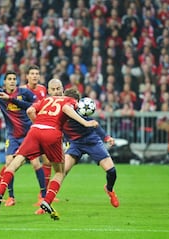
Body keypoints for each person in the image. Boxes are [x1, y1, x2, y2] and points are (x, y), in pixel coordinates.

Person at [0, 81, 99, 220]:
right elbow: (66, 109)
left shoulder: (45, 100)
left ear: (61, 89)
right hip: (52, 133)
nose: (57, 91)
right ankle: (46, 201)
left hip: (35, 130)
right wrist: (86, 122)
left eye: (58, 88)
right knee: (60, 172)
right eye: (54, 89)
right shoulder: (69, 100)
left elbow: (30, 110)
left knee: (14, 164)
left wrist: (37, 124)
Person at [34, 80, 119, 215]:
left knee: (112, 171)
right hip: (75, 145)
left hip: (92, 142)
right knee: (61, 173)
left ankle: (109, 189)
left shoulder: (79, 111)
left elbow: (94, 124)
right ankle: (45, 203)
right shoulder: (60, 111)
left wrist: (107, 138)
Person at [0, 64, 46, 207]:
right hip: (13, 136)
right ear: (4, 82)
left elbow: (37, 106)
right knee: (8, 164)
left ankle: (43, 196)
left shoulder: (24, 92)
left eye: (14, 78)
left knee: (36, 163)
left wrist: (11, 99)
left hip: (28, 135)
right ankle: (11, 197)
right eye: (10, 79)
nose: (12, 81)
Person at [21, 65, 54, 206]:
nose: (34, 76)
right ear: (27, 76)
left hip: (40, 129)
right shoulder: (22, 90)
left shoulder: (42, 90)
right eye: (32, 73)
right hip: (25, 131)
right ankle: (0, 191)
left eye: (37, 73)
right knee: (31, 163)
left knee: (47, 161)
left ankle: (43, 193)